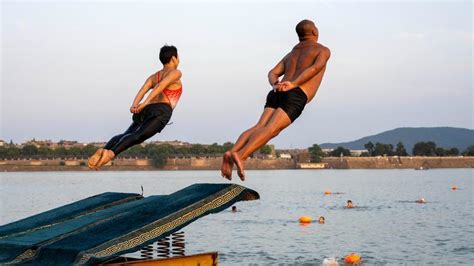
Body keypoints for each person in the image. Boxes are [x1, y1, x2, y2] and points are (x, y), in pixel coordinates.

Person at [221, 19, 331, 180]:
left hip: (277, 91)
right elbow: (315, 68)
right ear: (315, 32)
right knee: (271, 129)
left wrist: (275, 84)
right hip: (296, 93)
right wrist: (293, 84)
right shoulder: (322, 50)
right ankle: (241, 156)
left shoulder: (291, 54)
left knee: (260, 126)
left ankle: (232, 152)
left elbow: (272, 72)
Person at [88, 45, 183, 169]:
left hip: (144, 111)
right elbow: (161, 86)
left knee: (126, 134)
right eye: (178, 57)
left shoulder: (154, 76)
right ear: (173, 58)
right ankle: (110, 154)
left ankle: (105, 149)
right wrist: (144, 103)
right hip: (161, 110)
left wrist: (135, 104)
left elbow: (143, 89)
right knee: (138, 136)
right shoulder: (176, 73)